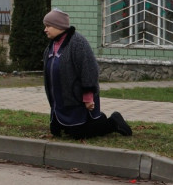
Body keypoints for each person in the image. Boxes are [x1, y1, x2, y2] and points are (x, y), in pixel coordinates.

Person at [43, 8, 133, 138]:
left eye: (48, 26)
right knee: (57, 131)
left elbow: (89, 70)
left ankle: (113, 122)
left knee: (79, 133)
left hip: (77, 100)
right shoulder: (51, 46)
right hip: (61, 103)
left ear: (59, 26)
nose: (45, 30)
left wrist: (88, 97)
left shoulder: (78, 43)